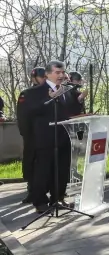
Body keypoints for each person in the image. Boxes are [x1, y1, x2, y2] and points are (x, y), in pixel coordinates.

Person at [24, 61, 73, 211]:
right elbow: (29, 112)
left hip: (64, 138)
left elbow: (69, 112)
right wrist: (48, 99)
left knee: (62, 171)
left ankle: (57, 198)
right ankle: (40, 202)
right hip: (44, 139)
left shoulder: (66, 91)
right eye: (57, 72)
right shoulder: (34, 92)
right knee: (43, 171)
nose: (60, 75)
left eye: (62, 72)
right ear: (47, 74)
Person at [16, 68, 46, 205]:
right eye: (41, 77)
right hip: (31, 135)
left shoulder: (49, 92)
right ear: (34, 78)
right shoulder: (26, 94)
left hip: (46, 135)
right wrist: (26, 134)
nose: (44, 79)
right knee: (31, 163)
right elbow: (22, 116)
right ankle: (32, 191)